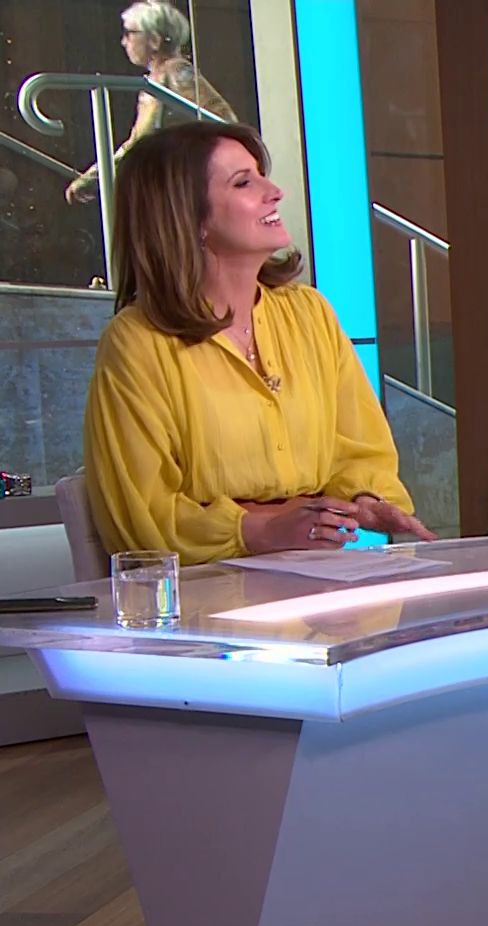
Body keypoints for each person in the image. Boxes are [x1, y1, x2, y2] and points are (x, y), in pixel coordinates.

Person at [83, 121, 434, 565]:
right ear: (188, 218)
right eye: (243, 182)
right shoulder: (137, 342)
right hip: (205, 588)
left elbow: (358, 448)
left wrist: (363, 499)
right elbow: (142, 515)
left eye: (261, 175)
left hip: (317, 572)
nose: (275, 192)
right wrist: (259, 529)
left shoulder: (310, 314)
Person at [67, 1, 237, 205]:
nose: (124, 42)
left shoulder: (174, 72)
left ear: (154, 40)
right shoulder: (159, 78)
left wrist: (94, 177)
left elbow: (224, 121)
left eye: (129, 34)